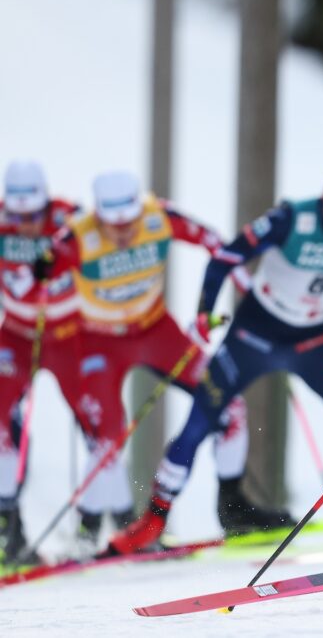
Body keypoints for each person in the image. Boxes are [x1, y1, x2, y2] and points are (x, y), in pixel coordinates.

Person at [107, 156, 323, 555]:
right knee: (200, 419)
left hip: (313, 340)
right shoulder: (292, 218)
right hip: (254, 333)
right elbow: (225, 258)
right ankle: (152, 520)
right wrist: (204, 312)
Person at [38, 171, 259, 549]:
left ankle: (233, 510)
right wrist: (42, 267)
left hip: (156, 332)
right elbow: (38, 270)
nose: (123, 232)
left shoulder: (159, 217)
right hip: (99, 341)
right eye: (113, 224)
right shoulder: (78, 235)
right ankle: (87, 534)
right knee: (106, 435)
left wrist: (246, 288)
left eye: (130, 222)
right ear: (99, 216)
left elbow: (216, 244)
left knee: (230, 403)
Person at [0, 160, 82, 563]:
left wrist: (62, 256)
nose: (27, 224)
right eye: (18, 216)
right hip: (16, 335)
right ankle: (9, 531)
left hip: (68, 334)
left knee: (96, 419)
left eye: (34, 215)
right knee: (6, 428)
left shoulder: (70, 216)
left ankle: (102, 525)